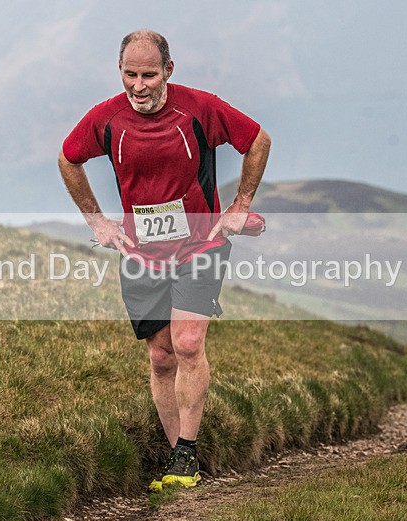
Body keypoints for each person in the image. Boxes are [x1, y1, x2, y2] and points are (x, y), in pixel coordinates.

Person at [58, 29, 271, 492]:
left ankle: (186, 455)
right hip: (141, 253)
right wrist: (98, 223)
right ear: (120, 73)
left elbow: (257, 140)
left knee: (189, 343)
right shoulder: (107, 118)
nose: (139, 86)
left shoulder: (199, 109)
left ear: (168, 72)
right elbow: (68, 158)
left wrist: (239, 206)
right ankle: (179, 458)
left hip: (201, 246)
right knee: (160, 357)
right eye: (130, 75)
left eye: (149, 75)